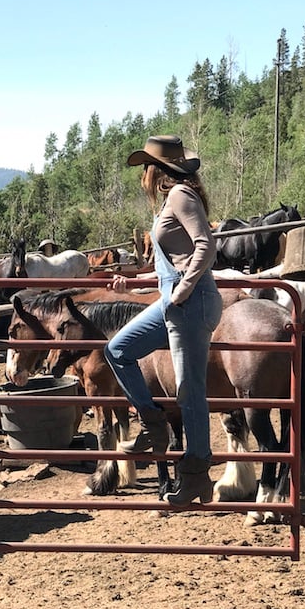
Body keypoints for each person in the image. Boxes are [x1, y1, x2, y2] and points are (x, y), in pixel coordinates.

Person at [103, 135, 223, 506]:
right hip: (175, 302)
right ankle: (152, 422)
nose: (142, 174)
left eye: (145, 166)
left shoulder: (180, 195)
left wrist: (182, 292)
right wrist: (134, 282)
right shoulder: (173, 199)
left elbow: (205, 245)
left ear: (156, 169)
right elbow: (172, 263)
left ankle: (196, 476)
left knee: (189, 389)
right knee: (118, 349)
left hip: (191, 302)